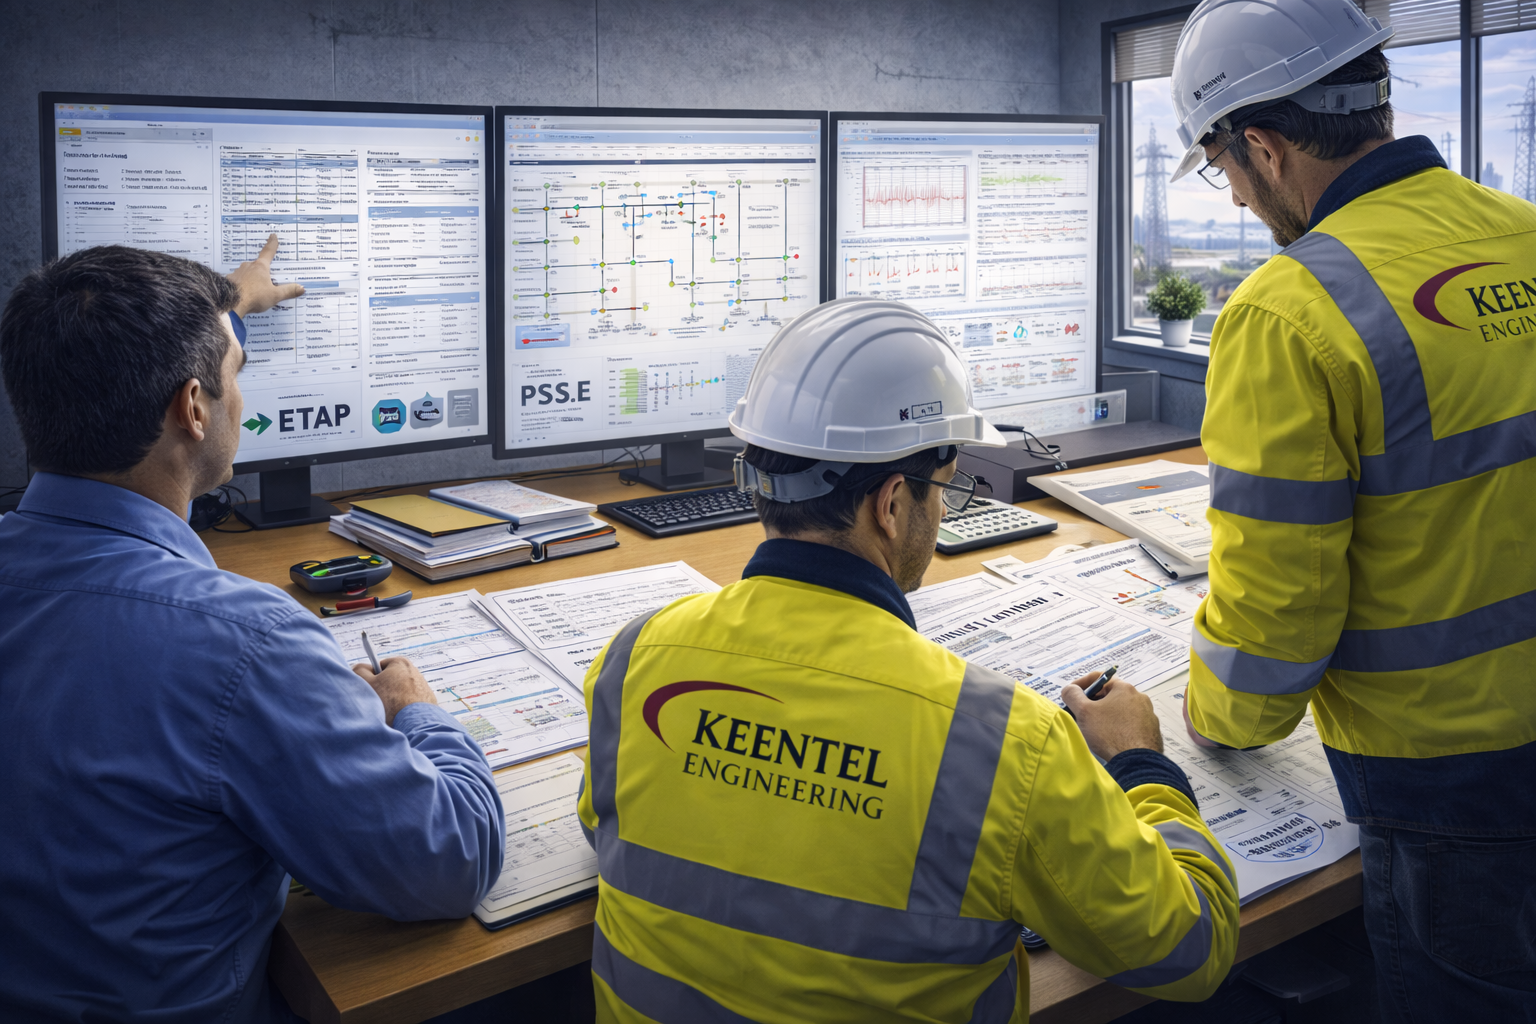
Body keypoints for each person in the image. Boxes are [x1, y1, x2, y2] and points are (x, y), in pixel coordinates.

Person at [575, 298, 1240, 1022]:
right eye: (947, 486)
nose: (947, 512)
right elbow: (1190, 950)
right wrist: (1141, 764)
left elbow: (605, 823)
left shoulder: (634, 658)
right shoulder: (1001, 742)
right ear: (892, 504)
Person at [0, 239, 505, 1023]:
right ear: (193, 408)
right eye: (236, 376)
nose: (242, 397)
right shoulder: (243, 640)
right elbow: (452, 861)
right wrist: (415, 710)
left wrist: (228, 305)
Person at [1166, 0, 1536, 1017]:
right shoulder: (1525, 234)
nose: (1237, 200)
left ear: (1266, 147)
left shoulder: (1289, 309)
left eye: (1225, 171)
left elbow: (1276, 620)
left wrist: (1202, 715)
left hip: (1445, 781)